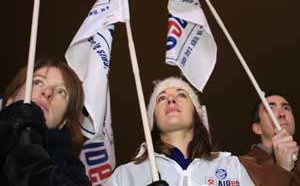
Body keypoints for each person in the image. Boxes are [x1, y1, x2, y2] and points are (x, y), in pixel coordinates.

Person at [105, 76, 254, 186]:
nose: (171, 99)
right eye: (161, 98)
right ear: (153, 119)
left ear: (195, 113)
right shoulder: (125, 176)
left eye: (181, 95)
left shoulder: (231, 166)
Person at [0, 57, 91, 186]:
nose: (48, 92)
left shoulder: (71, 170)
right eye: (37, 82)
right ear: (10, 99)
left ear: (63, 121)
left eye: (61, 92)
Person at [239, 93, 300, 185]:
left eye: (286, 108)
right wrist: (282, 170)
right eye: (270, 108)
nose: (282, 114)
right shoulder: (243, 165)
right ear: (257, 128)